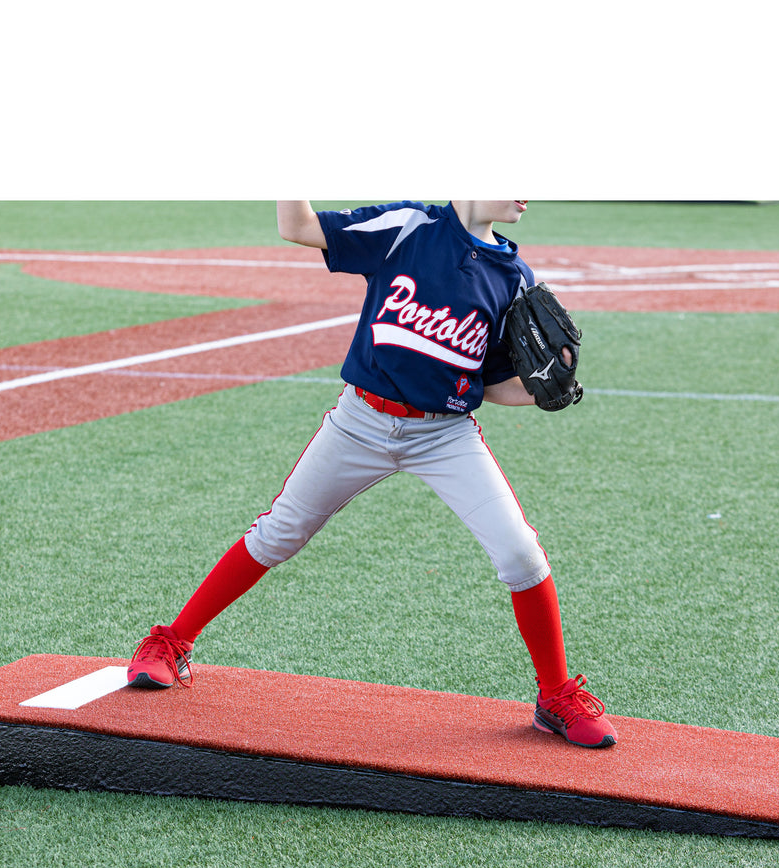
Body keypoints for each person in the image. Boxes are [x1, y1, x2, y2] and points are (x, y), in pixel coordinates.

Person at [127, 201, 617, 749]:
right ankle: (171, 642)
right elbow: (297, 228)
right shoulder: (408, 228)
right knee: (279, 532)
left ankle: (554, 697)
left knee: (520, 554)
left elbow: (491, 384)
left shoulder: (513, 276)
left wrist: (546, 389)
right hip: (360, 422)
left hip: (444, 436)